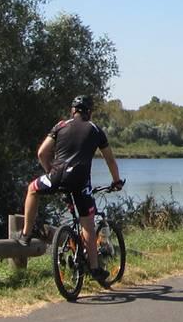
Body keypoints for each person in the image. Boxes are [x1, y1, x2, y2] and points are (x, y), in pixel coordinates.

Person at [17, 95, 124, 279]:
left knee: (33, 189)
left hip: (57, 176)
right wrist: (116, 181)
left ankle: (25, 234)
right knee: (88, 223)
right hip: (81, 181)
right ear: (89, 112)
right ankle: (95, 268)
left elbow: (42, 153)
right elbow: (110, 160)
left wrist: (50, 171)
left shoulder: (60, 126)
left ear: (72, 111)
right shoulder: (96, 130)